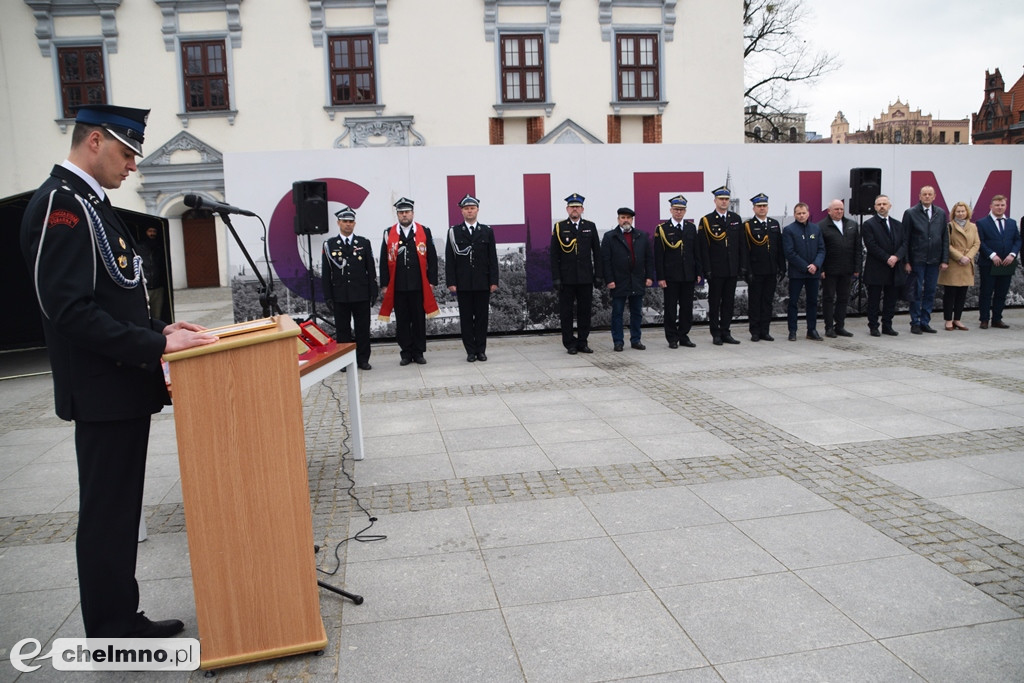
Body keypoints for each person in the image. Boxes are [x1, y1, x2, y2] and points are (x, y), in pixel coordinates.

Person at [20, 104, 217, 638]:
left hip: (119, 384)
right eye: (127, 152)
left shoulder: (91, 205)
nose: (133, 163)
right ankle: (111, 627)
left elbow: (114, 298)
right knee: (108, 512)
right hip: (101, 388)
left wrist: (163, 330)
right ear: (94, 142)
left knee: (119, 508)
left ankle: (117, 616)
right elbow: (70, 311)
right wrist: (152, 343)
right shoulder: (61, 206)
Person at [378, 197, 439, 364]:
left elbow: (432, 258)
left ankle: (418, 352)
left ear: (412, 213)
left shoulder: (423, 231)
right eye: (401, 212)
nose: (404, 215)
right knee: (403, 321)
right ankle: (405, 353)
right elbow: (384, 260)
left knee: (419, 320)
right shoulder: (388, 233)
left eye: (407, 212)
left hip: (418, 284)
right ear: (397, 214)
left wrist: (432, 280)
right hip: (398, 286)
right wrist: (384, 284)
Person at [322, 206, 377, 370]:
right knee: (342, 330)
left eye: (351, 221)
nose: (348, 224)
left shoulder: (363, 243)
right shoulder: (330, 244)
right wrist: (328, 296)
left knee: (362, 329)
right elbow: (326, 273)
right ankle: (344, 361)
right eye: (345, 221)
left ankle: (363, 360)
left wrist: (373, 291)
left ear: (354, 223)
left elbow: (371, 269)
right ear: (338, 223)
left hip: (361, 293)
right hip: (340, 294)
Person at [446, 194, 499, 362]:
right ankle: (470, 351)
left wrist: (494, 280)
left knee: (482, 318)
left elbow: (492, 258)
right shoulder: (454, 232)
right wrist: (451, 282)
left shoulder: (487, 231)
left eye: (472, 208)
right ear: (462, 211)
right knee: (467, 319)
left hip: (482, 282)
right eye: (466, 208)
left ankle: (481, 350)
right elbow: (450, 259)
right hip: (463, 283)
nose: (469, 211)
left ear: (477, 210)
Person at [550, 193, 602, 354]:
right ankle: (569, 343)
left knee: (584, 312)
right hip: (566, 279)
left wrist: (598, 275)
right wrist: (557, 278)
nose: (575, 209)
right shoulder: (560, 227)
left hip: (585, 277)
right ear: (567, 209)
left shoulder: (590, 226)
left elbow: (597, 253)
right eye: (572, 207)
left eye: (577, 207)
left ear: (582, 209)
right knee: (566, 313)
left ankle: (582, 342)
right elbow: (554, 255)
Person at [602, 207, 653, 351]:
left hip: (637, 280)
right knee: (617, 313)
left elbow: (649, 258)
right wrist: (609, 280)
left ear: (632, 220)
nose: (626, 220)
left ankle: (636, 340)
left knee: (636, 312)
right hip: (618, 281)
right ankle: (618, 341)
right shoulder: (610, 236)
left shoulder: (641, 236)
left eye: (628, 218)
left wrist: (649, 276)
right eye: (623, 217)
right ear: (618, 219)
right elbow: (605, 260)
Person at [653, 195, 701, 348]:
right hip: (671, 276)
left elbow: (696, 252)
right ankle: (672, 337)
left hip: (688, 275)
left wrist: (698, 272)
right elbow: (658, 255)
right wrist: (660, 277)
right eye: (676, 209)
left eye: (681, 210)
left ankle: (684, 335)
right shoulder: (662, 229)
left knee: (687, 308)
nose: (678, 212)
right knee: (671, 308)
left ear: (685, 211)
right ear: (671, 210)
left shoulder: (690, 228)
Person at [698, 186, 743, 345]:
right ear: (715, 200)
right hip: (715, 270)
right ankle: (715, 333)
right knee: (715, 303)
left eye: (726, 199)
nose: (724, 202)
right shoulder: (706, 220)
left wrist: (741, 267)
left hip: (732, 269)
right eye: (721, 199)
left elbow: (740, 245)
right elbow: (703, 248)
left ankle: (726, 332)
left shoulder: (736, 219)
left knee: (729, 303)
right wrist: (707, 269)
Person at [902, 186, 949, 334]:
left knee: (930, 291)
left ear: (934, 196)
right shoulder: (910, 213)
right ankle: (915, 322)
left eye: (930, 194)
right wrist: (907, 261)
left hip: (934, 260)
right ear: (920, 196)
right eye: (924, 194)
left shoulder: (940, 213)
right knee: (916, 292)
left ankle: (925, 321)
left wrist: (944, 259)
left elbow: (944, 238)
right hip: (917, 259)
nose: (927, 197)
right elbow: (906, 239)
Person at [861, 195, 907, 337]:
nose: (882, 206)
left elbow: (905, 243)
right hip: (877, 267)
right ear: (875, 207)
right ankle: (873, 326)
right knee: (874, 300)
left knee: (891, 299)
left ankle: (887, 325)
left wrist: (896, 257)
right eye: (879, 204)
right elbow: (871, 245)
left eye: (884, 204)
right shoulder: (869, 225)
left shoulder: (898, 225)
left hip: (894, 268)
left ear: (889, 206)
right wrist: (887, 258)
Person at [741, 193, 785, 342]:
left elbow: (779, 247)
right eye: (759, 206)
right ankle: (754, 331)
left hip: (771, 270)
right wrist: (747, 271)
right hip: (756, 270)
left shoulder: (774, 224)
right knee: (755, 302)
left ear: (768, 207)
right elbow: (745, 250)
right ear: (753, 208)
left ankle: (765, 331)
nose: (762, 208)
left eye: (764, 206)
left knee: (767, 301)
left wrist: (782, 267)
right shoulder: (748, 225)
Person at [818, 199, 861, 337]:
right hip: (830, 270)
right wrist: (821, 269)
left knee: (843, 298)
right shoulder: (821, 226)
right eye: (836, 209)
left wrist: (857, 267)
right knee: (829, 298)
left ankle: (840, 326)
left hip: (847, 269)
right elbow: (819, 249)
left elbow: (857, 248)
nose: (839, 211)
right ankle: (829, 327)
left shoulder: (852, 225)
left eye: (841, 209)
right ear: (829, 211)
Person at [782, 202, 825, 341]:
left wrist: (816, 265)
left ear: (808, 213)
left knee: (812, 302)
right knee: (793, 302)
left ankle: (811, 330)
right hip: (797, 273)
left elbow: (821, 249)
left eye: (803, 213)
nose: (801, 216)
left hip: (814, 273)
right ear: (794, 215)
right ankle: (792, 331)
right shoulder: (789, 230)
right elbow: (789, 252)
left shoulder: (816, 228)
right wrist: (806, 266)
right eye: (798, 213)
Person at [976, 195, 1020, 329]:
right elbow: (980, 242)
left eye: (1002, 205)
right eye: (997, 205)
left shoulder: (1012, 223)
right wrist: (992, 255)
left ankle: (997, 319)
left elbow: (1017, 240)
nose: (1000, 207)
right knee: (986, 292)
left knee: (1001, 293)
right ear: (991, 206)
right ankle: (984, 319)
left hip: (1006, 264)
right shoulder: (981, 222)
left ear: (1005, 206)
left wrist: (1012, 254)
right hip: (988, 264)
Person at [937, 201, 980, 331]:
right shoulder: (949, 226)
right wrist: (960, 257)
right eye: (958, 211)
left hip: (967, 264)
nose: (961, 214)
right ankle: (948, 320)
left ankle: (958, 319)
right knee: (950, 294)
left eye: (963, 211)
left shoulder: (973, 226)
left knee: (962, 294)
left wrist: (968, 257)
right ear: (954, 213)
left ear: (967, 212)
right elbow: (946, 244)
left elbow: (976, 243)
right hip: (954, 263)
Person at [135, 226, 167, 320]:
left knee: (157, 316)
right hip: (145, 287)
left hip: (158, 287)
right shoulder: (139, 247)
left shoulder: (159, 247)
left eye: (154, 231)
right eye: (150, 231)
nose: (152, 234)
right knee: (144, 316)